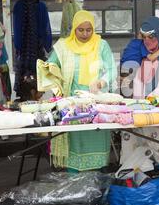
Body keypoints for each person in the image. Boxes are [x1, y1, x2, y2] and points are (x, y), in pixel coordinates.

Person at [37, 10, 117, 172]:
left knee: (96, 138)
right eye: (81, 30)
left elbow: (111, 69)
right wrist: (50, 73)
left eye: (89, 30)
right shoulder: (63, 46)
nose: (85, 34)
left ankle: (97, 181)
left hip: (96, 105)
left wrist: (102, 81)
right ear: (74, 28)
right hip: (72, 106)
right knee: (75, 142)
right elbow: (51, 65)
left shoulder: (101, 45)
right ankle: (74, 184)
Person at [120, 16, 159, 171]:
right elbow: (137, 88)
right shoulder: (145, 59)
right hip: (141, 116)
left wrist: (145, 104)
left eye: (151, 37)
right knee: (136, 156)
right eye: (144, 37)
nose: (147, 41)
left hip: (158, 118)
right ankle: (139, 183)